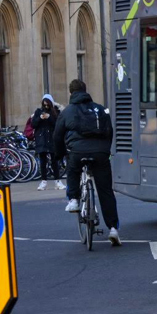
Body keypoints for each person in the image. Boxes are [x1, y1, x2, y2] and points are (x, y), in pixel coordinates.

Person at [53, 79, 121, 247]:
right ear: (85, 90)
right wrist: (106, 150)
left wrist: (59, 155)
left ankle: (74, 200)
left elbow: (57, 136)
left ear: (71, 93)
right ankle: (113, 229)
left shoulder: (67, 111)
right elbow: (110, 130)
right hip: (100, 153)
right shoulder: (100, 109)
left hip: (77, 151)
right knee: (105, 191)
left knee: (73, 169)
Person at [31, 94, 65, 191]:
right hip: (42, 139)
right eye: (44, 104)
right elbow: (33, 124)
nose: (46, 106)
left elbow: (58, 124)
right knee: (43, 161)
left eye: (47, 104)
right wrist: (40, 118)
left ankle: (57, 181)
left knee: (55, 161)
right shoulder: (38, 111)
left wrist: (49, 117)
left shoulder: (56, 112)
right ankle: (43, 181)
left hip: (52, 139)